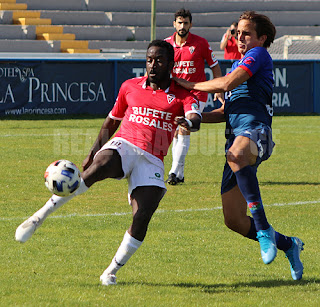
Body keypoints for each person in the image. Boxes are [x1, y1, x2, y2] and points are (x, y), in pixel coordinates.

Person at [15, 40, 202, 286]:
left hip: (154, 158)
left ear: (171, 64)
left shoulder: (183, 93)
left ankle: (110, 271)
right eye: (149, 60)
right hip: (125, 143)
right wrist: (93, 151)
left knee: (143, 215)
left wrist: (189, 122)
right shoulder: (130, 86)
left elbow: (195, 117)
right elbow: (112, 121)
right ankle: (38, 217)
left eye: (158, 60)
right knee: (101, 165)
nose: (152, 65)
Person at [174, 11, 304, 280]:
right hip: (237, 140)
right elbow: (225, 111)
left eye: (246, 33)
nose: (240, 37)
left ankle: (264, 227)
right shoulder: (237, 66)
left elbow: (226, 83)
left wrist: (187, 84)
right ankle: (289, 245)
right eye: (237, 33)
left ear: (261, 38)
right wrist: (194, 119)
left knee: (235, 154)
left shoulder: (259, 55)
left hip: (258, 133)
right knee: (233, 220)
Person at [164, 8, 224, 185]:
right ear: (174, 24)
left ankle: (174, 172)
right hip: (175, 94)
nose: (182, 26)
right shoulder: (166, 45)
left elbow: (214, 66)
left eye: (186, 23)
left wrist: (218, 87)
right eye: (179, 23)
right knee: (176, 132)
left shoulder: (201, 43)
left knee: (184, 127)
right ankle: (179, 174)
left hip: (197, 93)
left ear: (191, 24)